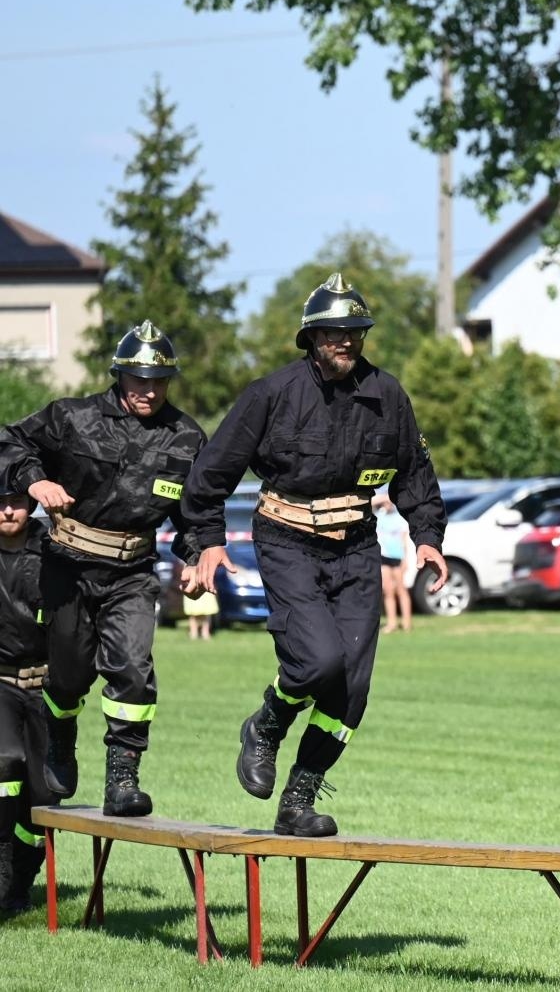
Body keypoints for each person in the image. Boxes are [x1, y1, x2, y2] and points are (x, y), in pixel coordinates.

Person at [181, 273, 448, 837]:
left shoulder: (388, 396)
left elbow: (415, 474)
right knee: (320, 661)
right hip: (286, 543)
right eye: (332, 333)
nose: (344, 341)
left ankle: (298, 798)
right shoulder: (271, 394)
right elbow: (209, 477)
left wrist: (427, 537)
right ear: (311, 338)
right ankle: (267, 724)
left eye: (354, 332)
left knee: (351, 687)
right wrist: (206, 542)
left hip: (356, 548)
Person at [0, 321, 206, 818]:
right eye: (139, 380)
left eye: (158, 381)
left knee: (133, 670)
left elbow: (196, 512)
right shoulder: (73, 417)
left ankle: (123, 777)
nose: (148, 390)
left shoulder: (186, 437)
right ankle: (61, 737)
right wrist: (35, 483)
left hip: (132, 573)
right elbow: (10, 441)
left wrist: (197, 556)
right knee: (68, 678)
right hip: (67, 567)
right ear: (119, 375)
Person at [0, 479, 48, 912]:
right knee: (5, 764)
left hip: (47, 688)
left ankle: (20, 885)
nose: (7, 511)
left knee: (44, 796)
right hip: (0, 683)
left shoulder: (52, 549)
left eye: (15, 502)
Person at [374, 491, 413, 633]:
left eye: (389, 502)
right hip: (384, 557)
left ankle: (407, 622)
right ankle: (392, 623)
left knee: (401, 589)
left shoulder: (400, 518)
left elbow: (405, 541)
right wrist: (383, 498)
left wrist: (405, 559)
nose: (387, 504)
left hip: (397, 556)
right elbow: (370, 503)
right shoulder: (379, 517)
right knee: (388, 590)